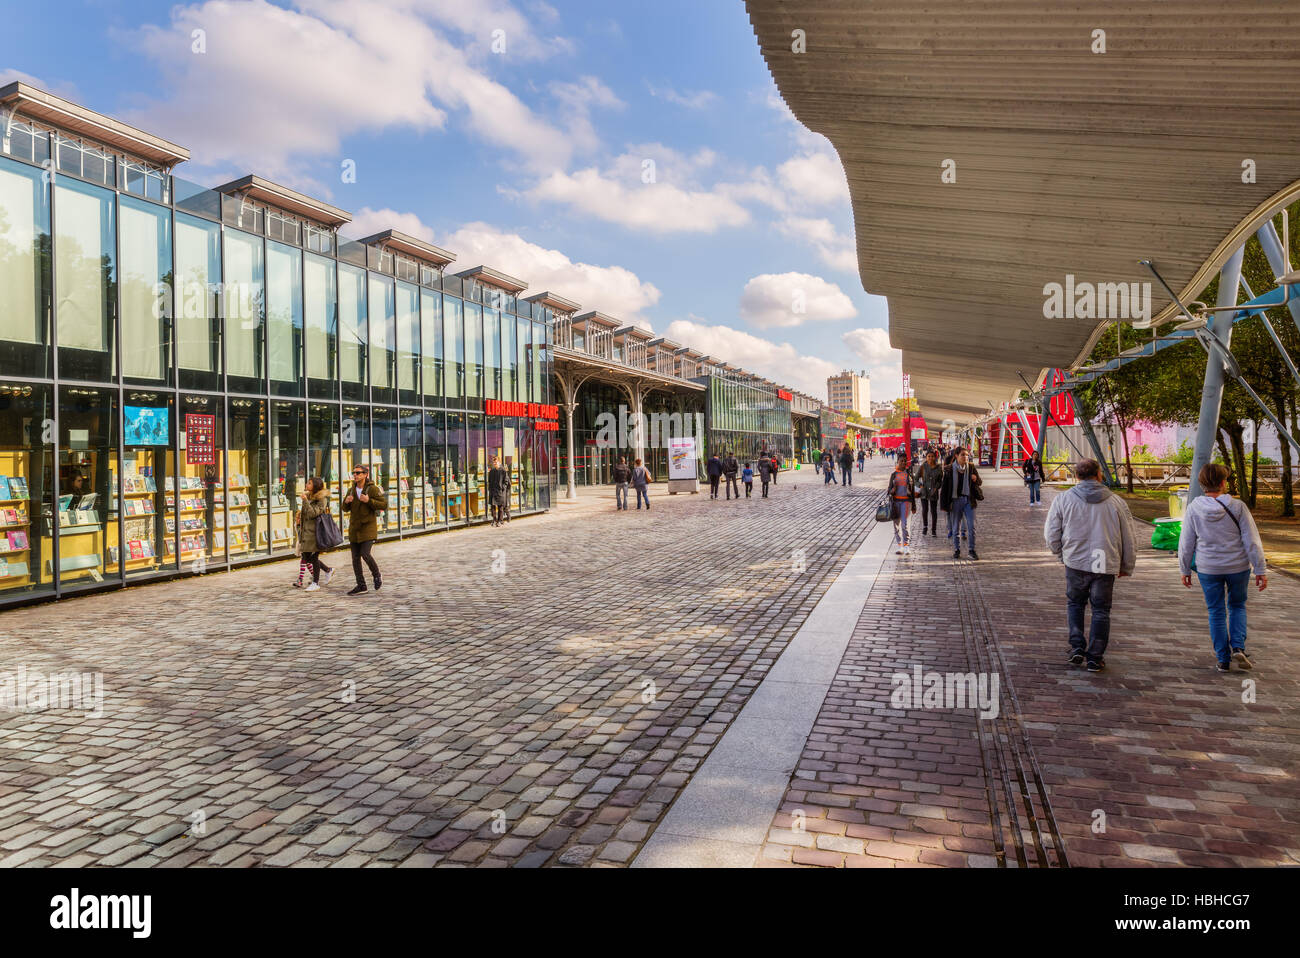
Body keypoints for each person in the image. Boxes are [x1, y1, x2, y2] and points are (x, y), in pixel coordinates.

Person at [1044, 458, 1136, 673]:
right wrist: (1126, 564)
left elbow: (1051, 532)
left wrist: (1060, 553)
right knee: (1101, 609)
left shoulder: (1063, 499)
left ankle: (1076, 647)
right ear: (1099, 475)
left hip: (1075, 560)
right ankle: (1095, 656)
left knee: (1075, 604)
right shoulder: (1116, 502)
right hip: (1105, 560)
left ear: (1077, 476)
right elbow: (1128, 536)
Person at [1178, 463, 1267, 672]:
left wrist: (1184, 569)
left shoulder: (1194, 508)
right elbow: (1252, 541)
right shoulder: (1238, 507)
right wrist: (1260, 568)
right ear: (1223, 483)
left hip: (1209, 568)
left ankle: (1223, 659)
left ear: (1202, 485)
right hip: (1238, 567)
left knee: (1216, 612)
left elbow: (1186, 542)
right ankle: (1238, 646)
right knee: (1237, 606)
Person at [343, 464, 387, 595]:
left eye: (358, 473)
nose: (355, 475)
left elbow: (384, 504)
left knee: (365, 554)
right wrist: (346, 502)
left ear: (365, 474)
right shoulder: (351, 490)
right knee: (355, 559)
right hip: (354, 529)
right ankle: (361, 585)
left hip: (368, 528)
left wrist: (369, 501)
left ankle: (377, 574)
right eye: (354, 473)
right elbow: (344, 509)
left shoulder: (372, 489)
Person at [940, 448, 982, 560]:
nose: (966, 457)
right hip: (955, 500)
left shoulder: (971, 467)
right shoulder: (949, 469)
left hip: (968, 500)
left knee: (971, 526)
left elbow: (980, 482)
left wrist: (975, 478)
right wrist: (944, 505)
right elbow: (944, 489)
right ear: (957, 456)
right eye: (963, 455)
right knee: (955, 527)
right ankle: (957, 549)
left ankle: (971, 550)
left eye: (967, 455)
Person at [295, 476, 333, 592]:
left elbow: (313, 513)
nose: (307, 484)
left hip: (316, 531)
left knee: (314, 557)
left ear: (315, 486)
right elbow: (305, 515)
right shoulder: (309, 496)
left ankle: (315, 582)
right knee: (306, 556)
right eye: (307, 482)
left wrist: (305, 501)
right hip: (306, 531)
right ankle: (327, 570)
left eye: (310, 483)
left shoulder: (322, 498)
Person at [888, 453, 917, 555]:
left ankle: (906, 546)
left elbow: (912, 492)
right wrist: (894, 489)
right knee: (896, 526)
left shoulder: (909, 475)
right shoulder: (893, 475)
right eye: (902, 461)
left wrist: (914, 505)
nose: (904, 462)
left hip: (906, 502)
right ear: (898, 462)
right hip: (895, 502)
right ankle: (899, 545)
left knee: (905, 525)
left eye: (905, 460)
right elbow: (889, 492)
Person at [919, 449, 942, 537]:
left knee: (934, 511)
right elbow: (916, 478)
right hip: (924, 492)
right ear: (926, 457)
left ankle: (934, 530)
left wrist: (937, 487)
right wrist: (920, 486)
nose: (930, 458)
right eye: (929, 456)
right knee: (925, 510)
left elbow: (940, 480)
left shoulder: (939, 468)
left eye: (932, 456)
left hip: (933, 492)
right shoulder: (922, 467)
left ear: (935, 457)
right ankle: (925, 527)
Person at [487, 455, 510, 526]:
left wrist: (502, 488)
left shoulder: (503, 471)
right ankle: (494, 520)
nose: (494, 464)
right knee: (493, 507)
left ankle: (500, 520)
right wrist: (490, 489)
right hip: (493, 491)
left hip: (500, 491)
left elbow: (506, 481)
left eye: (496, 462)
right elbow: (489, 481)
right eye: (494, 463)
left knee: (500, 507)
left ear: (499, 462)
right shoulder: (492, 471)